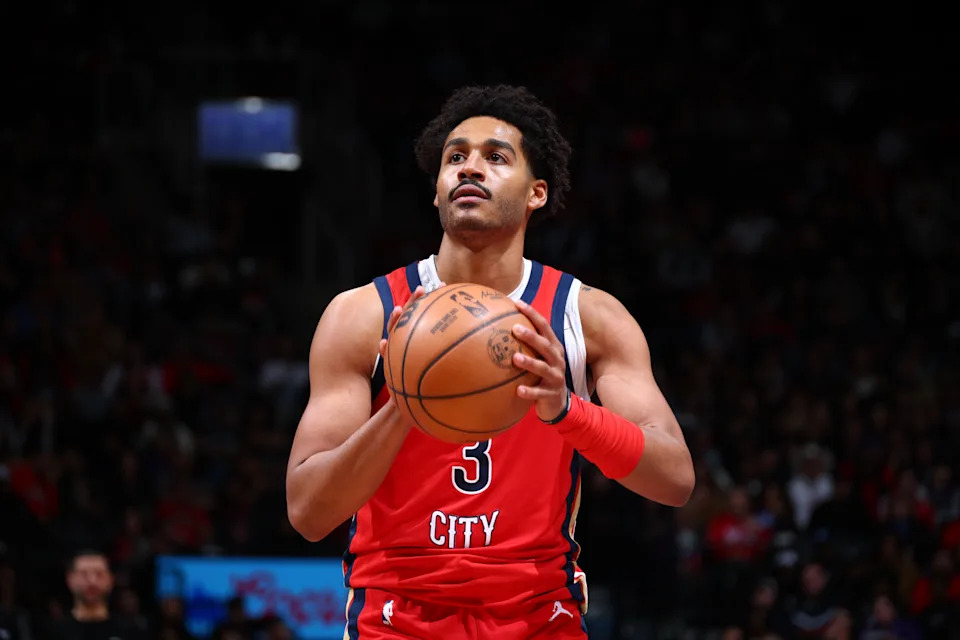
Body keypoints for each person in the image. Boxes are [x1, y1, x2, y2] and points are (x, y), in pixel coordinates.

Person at [286, 84, 695, 638]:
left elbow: (674, 479)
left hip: (538, 613)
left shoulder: (587, 318)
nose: (469, 168)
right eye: (455, 157)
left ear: (538, 194)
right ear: (436, 191)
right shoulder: (363, 315)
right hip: (399, 613)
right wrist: (402, 405)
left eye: (495, 157)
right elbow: (308, 512)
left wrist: (565, 410)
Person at [46, 549, 147, 639]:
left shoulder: (131, 631)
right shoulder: (54, 633)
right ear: (70, 579)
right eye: (84, 574)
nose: (92, 581)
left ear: (110, 580)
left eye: (99, 574)